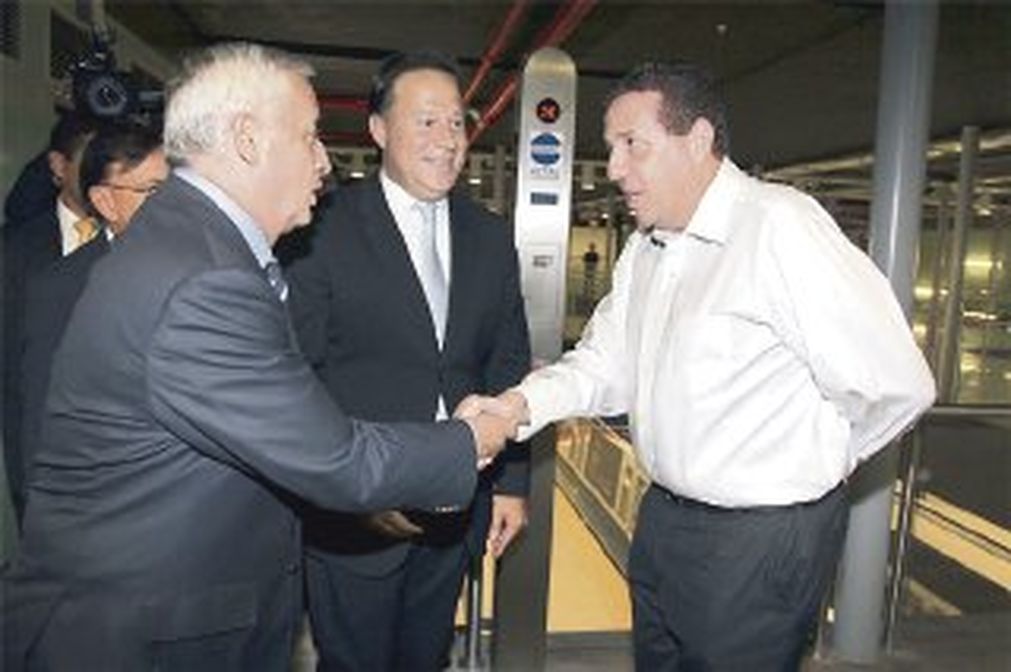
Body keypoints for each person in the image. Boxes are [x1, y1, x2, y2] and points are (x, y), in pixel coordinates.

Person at [2, 42, 516, 672]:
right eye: (308, 137)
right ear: (247, 140)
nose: (324, 161)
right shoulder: (204, 278)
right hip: (150, 633)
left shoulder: (188, 242)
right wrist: (472, 438)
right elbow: (333, 456)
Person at [462, 61, 936, 670]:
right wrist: (517, 407)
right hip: (664, 521)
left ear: (700, 140)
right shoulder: (648, 249)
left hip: (759, 539)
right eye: (611, 147)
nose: (613, 168)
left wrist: (816, 469)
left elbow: (899, 383)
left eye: (633, 145)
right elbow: (605, 363)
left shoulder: (778, 226)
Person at [282, 50, 531, 672]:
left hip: (455, 502)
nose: (447, 140)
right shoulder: (323, 227)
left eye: (456, 123)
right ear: (378, 131)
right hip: (354, 514)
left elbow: (507, 356)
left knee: (425, 657)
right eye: (426, 122)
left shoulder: (489, 234)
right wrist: (347, 491)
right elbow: (297, 373)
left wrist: (511, 483)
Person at [15, 122, 169, 525]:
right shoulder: (62, 288)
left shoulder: (205, 273)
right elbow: (40, 424)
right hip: (101, 515)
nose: (170, 206)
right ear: (105, 201)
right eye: (151, 192)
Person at [2, 110, 101, 520]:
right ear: (59, 167)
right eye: (91, 159)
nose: (105, 172)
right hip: (43, 467)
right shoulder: (14, 251)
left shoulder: (144, 242)